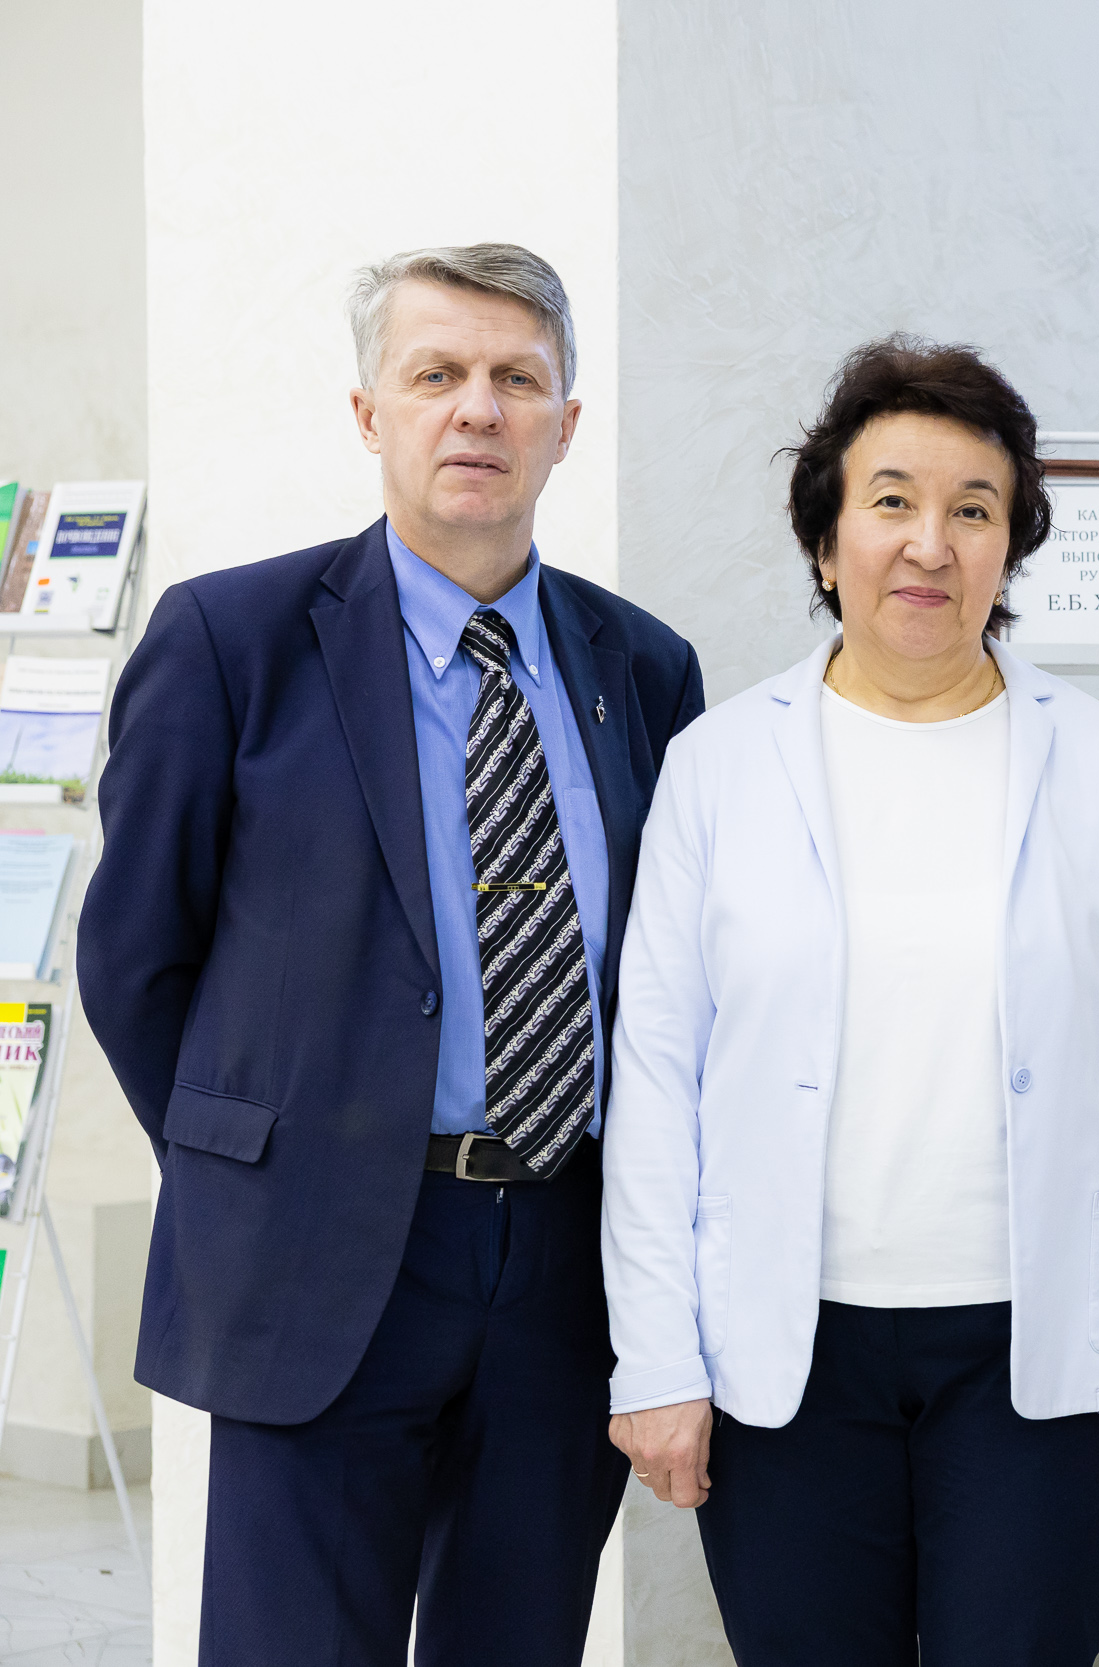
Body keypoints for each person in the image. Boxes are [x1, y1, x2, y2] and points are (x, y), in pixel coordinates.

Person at [80, 243, 704, 1664]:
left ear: (566, 422)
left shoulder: (643, 669)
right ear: (371, 412)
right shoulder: (232, 639)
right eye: (437, 374)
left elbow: (668, 971)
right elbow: (135, 957)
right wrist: (265, 1164)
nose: (477, 409)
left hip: (563, 1261)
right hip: (318, 1256)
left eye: (516, 379)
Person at [602, 335, 1099, 1667]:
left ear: (1011, 547)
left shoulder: (1098, 764)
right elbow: (655, 1076)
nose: (929, 543)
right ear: (826, 541)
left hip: (1039, 1353)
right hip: (786, 1356)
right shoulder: (718, 766)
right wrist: (654, 1351)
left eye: (973, 509)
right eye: (891, 500)